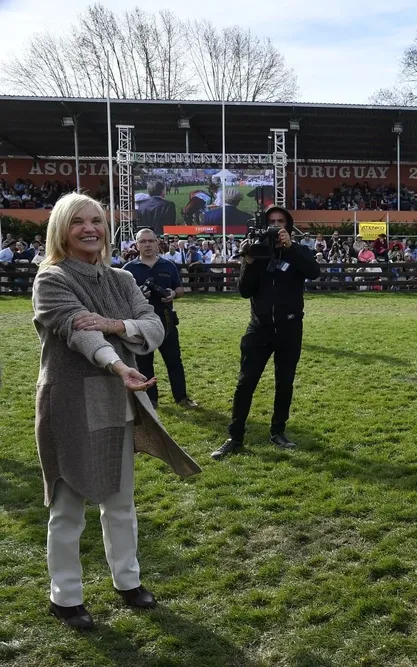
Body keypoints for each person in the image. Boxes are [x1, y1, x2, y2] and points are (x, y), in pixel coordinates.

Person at [31, 193, 200, 629]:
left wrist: (112, 323)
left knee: (120, 501)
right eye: (78, 222)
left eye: (97, 221)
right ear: (61, 230)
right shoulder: (50, 280)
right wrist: (120, 362)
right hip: (68, 402)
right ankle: (65, 597)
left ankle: (128, 581)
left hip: (116, 402)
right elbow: (77, 332)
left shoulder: (122, 279)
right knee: (67, 506)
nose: (90, 228)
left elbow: (154, 326)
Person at [212, 205, 320, 459]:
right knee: (245, 383)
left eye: (280, 221)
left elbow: (313, 272)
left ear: (288, 225)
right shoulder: (257, 251)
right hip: (259, 328)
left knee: (284, 383)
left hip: (290, 327)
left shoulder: (299, 251)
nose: (276, 226)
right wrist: (248, 261)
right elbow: (244, 291)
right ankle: (235, 436)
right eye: (271, 221)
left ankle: (278, 431)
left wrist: (290, 248)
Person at [123, 228, 199, 410]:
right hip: (141, 325)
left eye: (151, 241)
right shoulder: (128, 270)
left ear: (157, 243)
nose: (147, 245)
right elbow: (121, 298)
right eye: (143, 242)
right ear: (137, 245)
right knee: (144, 363)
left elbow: (180, 290)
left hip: (167, 322)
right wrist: (139, 295)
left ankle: (181, 398)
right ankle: (151, 400)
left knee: (174, 361)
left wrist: (173, 293)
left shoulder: (168, 265)